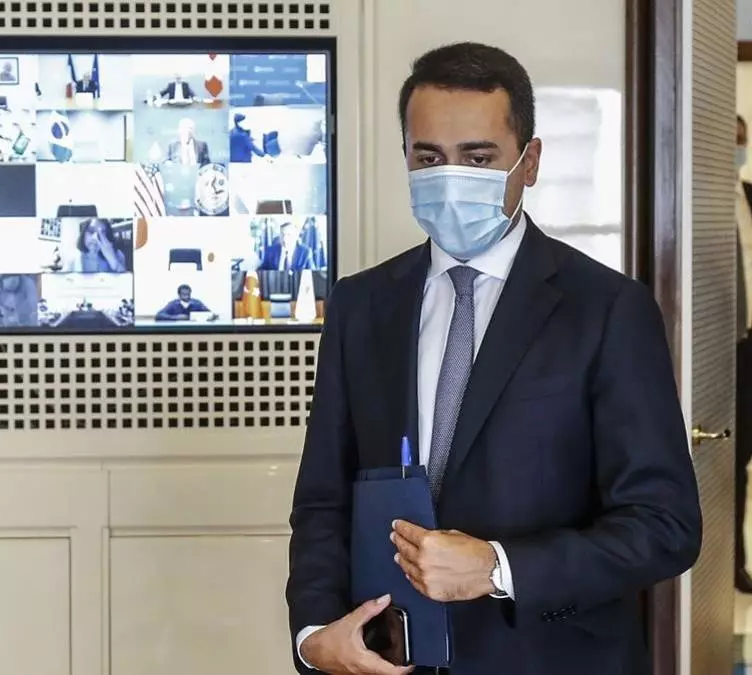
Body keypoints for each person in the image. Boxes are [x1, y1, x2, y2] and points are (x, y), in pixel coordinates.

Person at [286, 42, 701, 675]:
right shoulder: (361, 305)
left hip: (552, 658)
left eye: (478, 158)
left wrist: (500, 567)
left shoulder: (608, 309)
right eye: (429, 158)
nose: (451, 178)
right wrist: (315, 634)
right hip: (392, 658)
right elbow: (324, 499)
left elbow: (664, 525)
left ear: (528, 162)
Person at [737, 115, 752, 593]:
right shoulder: (703, 203)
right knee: (731, 456)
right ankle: (733, 561)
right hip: (728, 345)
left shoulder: (750, 196)